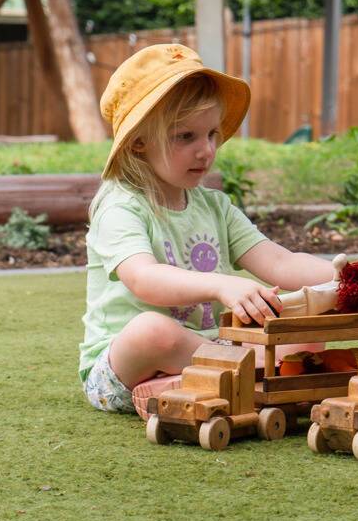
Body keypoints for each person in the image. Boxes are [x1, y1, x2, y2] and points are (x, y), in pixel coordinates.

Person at [80, 44, 336, 414]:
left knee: (308, 324)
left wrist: (344, 276)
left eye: (212, 134)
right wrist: (221, 284)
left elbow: (279, 262)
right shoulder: (120, 207)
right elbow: (144, 278)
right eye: (186, 136)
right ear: (138, 143)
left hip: (213, 349)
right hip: (124, 366)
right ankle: (254, 371)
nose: (206, 150)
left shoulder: (214, 206)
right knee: (151, 330)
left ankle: (217, 379)